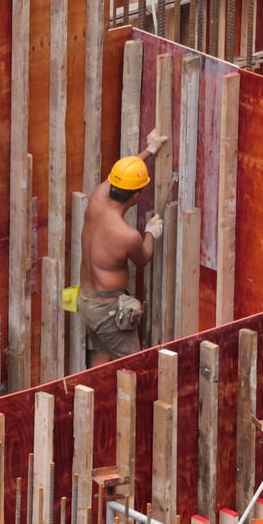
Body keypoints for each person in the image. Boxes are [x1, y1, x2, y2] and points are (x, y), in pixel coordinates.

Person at [79, 130, 168, 367]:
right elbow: (144, 258)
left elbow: (121, 176)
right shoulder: (128, 235)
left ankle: (94, 401)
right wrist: (151, 232)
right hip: (107, 310)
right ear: (137, 195)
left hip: (86, 299)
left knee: (103, 352)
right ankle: (115, 404)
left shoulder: (98, 195)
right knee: (132, 366)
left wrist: (149, 150)